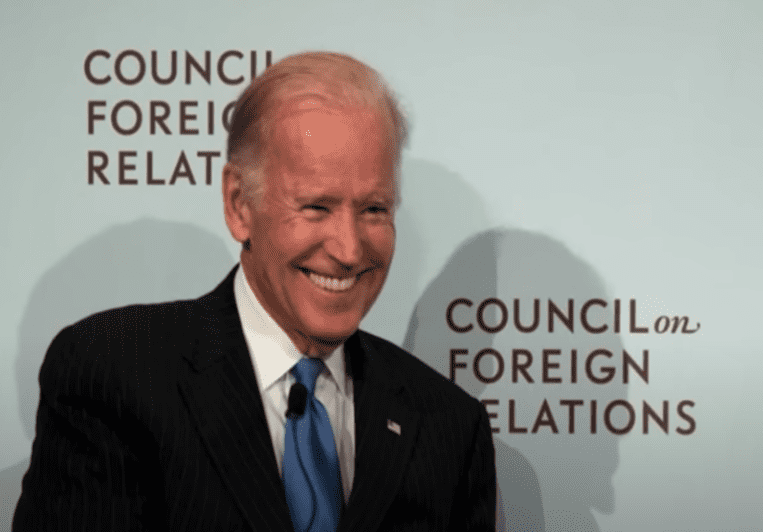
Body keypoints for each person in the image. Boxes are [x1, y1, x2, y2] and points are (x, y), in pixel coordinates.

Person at [13, 51, 496, 531]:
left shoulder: (447, 428)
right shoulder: (116, 376)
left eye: (374, 209)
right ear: (239, 204)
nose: (350, 250)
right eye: (316, 207)